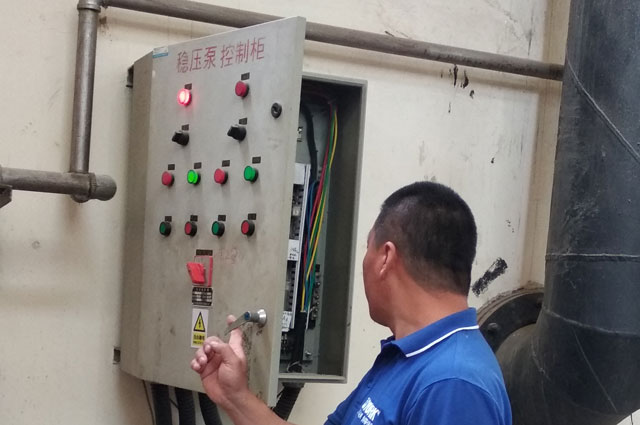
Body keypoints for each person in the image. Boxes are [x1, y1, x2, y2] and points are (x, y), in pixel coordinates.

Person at [191, 181, 512, 425]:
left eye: (368, 247)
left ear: (385, 257)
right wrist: (235, 396)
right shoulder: (408, 358)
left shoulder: (452, 385)